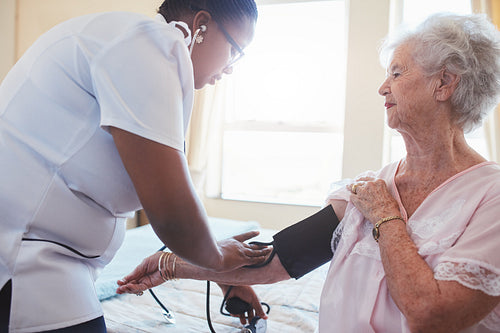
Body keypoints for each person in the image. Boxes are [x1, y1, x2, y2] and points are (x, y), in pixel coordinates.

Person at [117, 12, 500, 332]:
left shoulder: (490, 197)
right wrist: (172, 266)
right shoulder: (371, 186)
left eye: (397, 73)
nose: (383, 87)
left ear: (445, 83)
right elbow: (278, 258)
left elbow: (431, 314)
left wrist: (386, 216)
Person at [0, 0, 273, 332]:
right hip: (26, 256)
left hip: (52, 254)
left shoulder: (140, 47)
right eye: (235, 50)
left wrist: (214, 266)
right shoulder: (147, 46)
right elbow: (172, 213)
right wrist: (217, 262)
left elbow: (166, 188)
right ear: (201, 26)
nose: (231, 66)